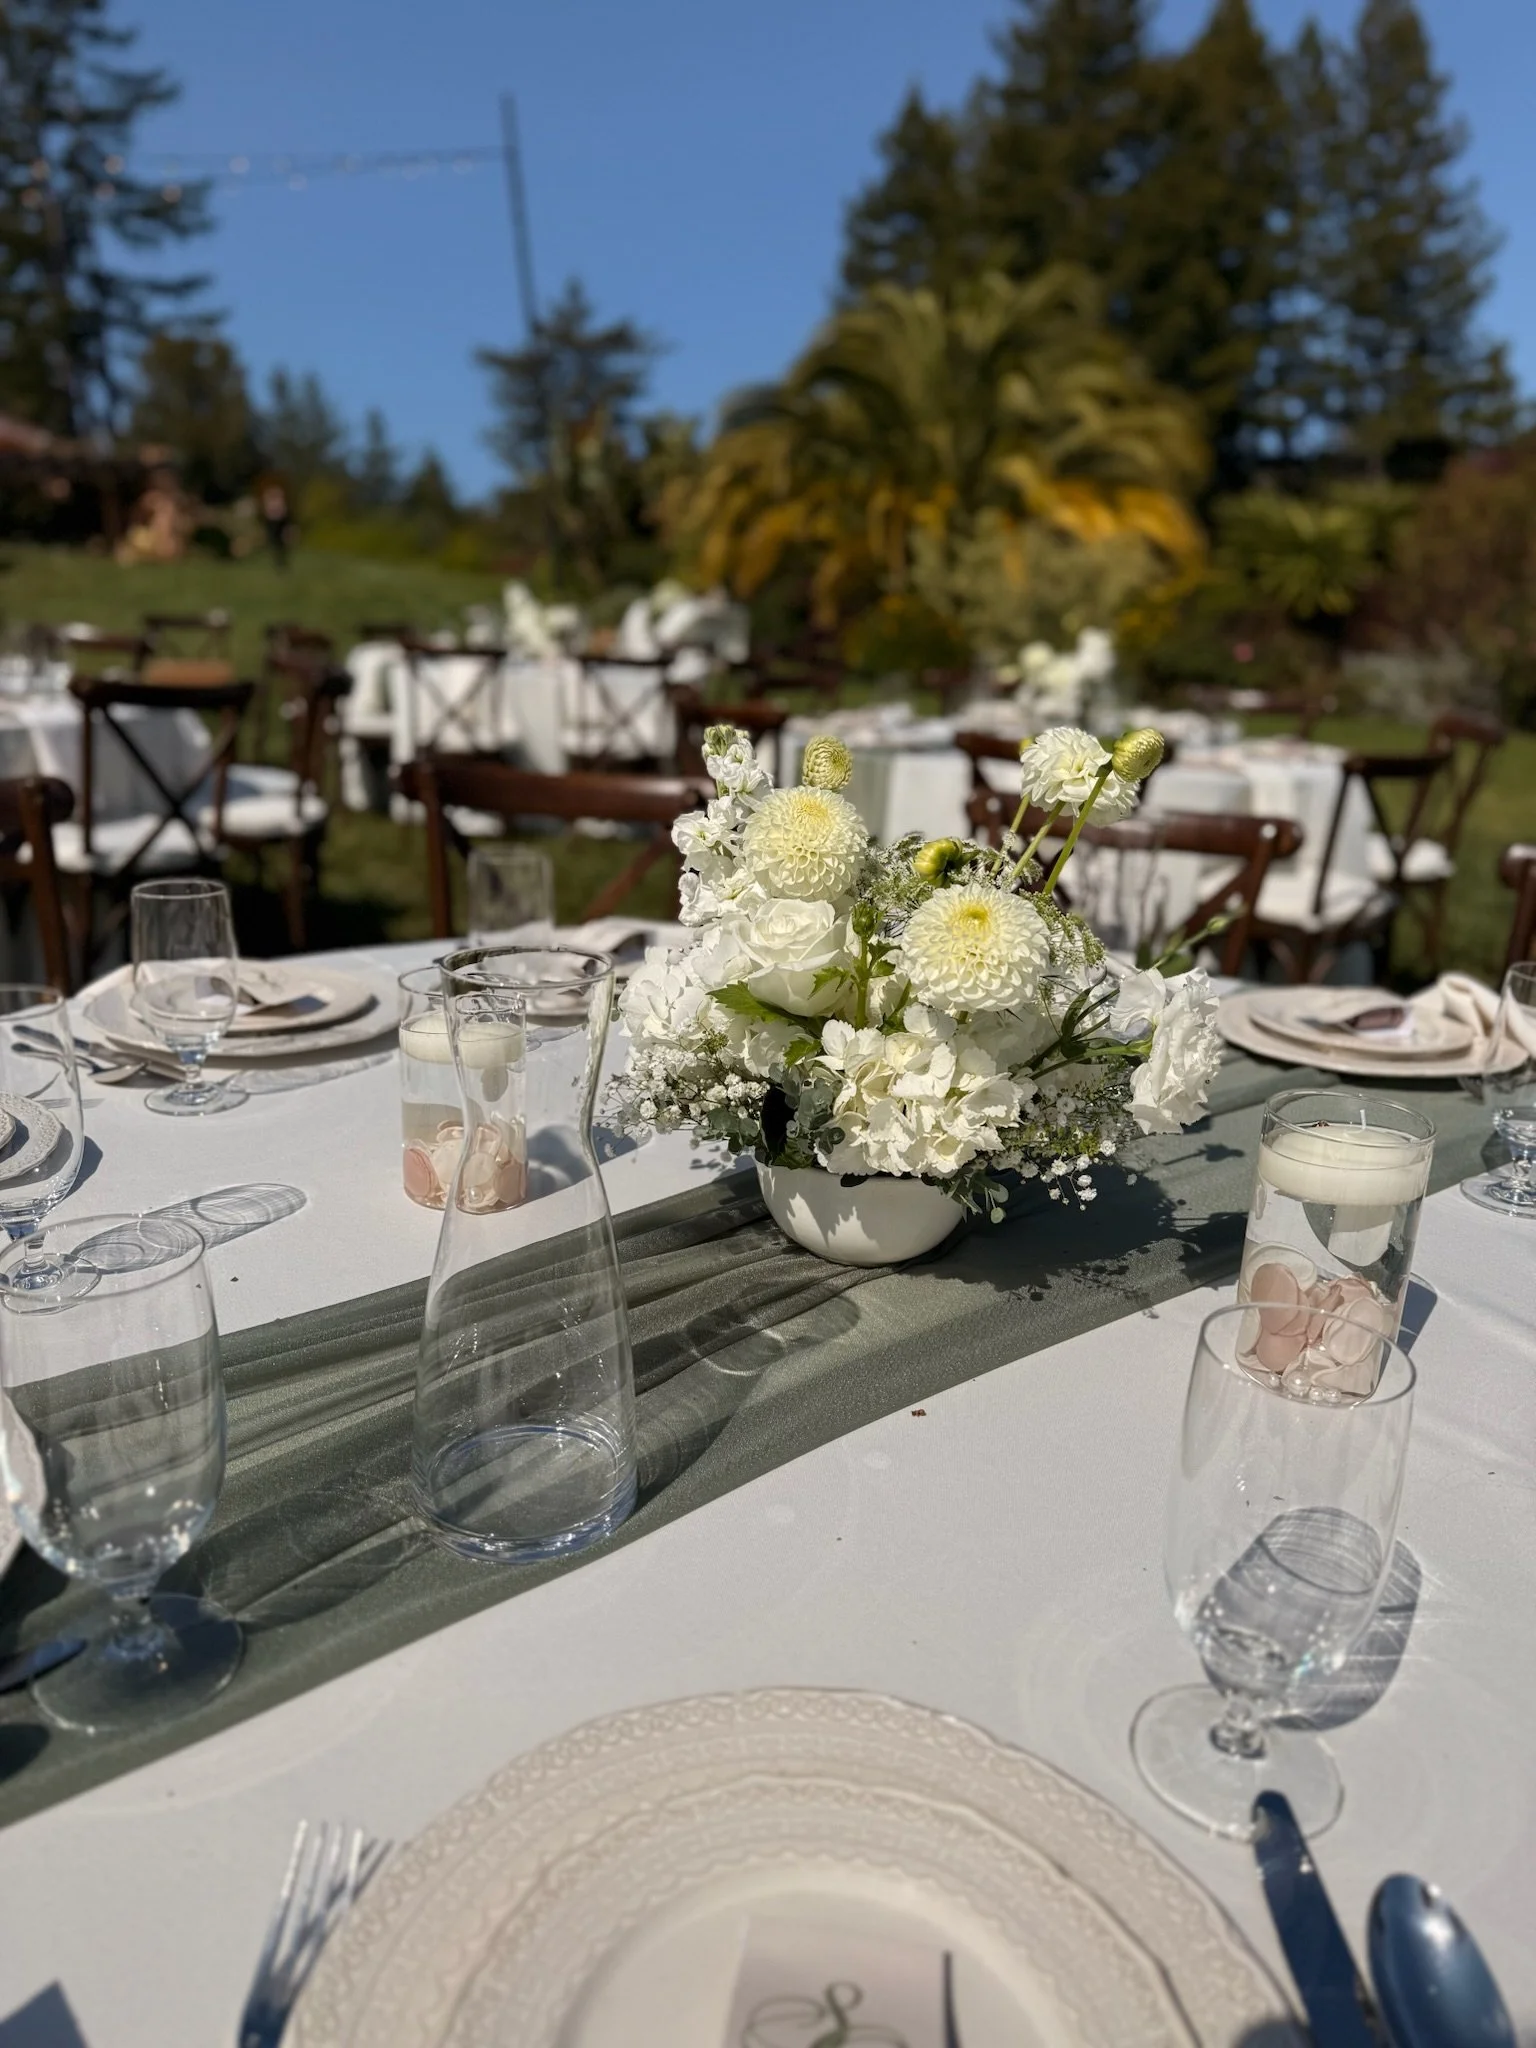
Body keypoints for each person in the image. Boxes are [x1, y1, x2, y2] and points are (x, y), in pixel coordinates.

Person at [259, 480, 293, 568]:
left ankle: (280, 561)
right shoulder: (270, 498)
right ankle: (276, 559)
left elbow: (283, 512)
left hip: (279, 522)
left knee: (280, 543)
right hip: (272, 522)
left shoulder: (278, 498)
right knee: (274, 541)